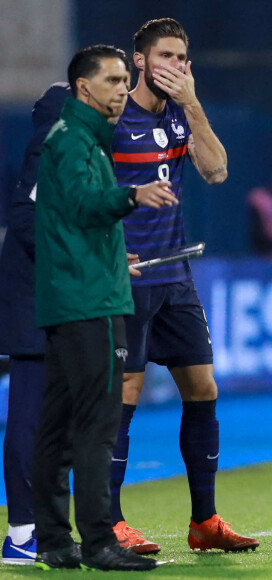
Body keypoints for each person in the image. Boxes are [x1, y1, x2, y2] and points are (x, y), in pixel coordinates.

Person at [109, 18, 259, 554]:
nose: (174, 65)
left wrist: (193, 106)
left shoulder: (180, 116)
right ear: (141, 61)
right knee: (123, 393)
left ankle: (205, 521)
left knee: (202, 389)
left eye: (181, 57)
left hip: (176, 277)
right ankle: (111, 522)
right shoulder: (111, 114)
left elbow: (217, 171)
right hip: (125, 279)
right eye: (165, 55)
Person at [32, 44, 179, 571]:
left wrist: (118, 260)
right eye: (113, 80)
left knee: (56, 424)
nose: (122, 89)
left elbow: (73, 224)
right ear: (82, 88)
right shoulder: (75, 142)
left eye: (124, 80)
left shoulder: (79, 141)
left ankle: (52, 539)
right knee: (97, 424)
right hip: (88, 303)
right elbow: (82, 206)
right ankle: (98, 541)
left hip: (78, 293)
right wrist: (133, 196)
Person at [0, 82, 70, 565]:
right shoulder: (50, 147)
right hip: (35, 306)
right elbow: (28, 223)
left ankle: (42, 527)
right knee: (30, 418)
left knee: (50, 421)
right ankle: (22, 533)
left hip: (51, 302)